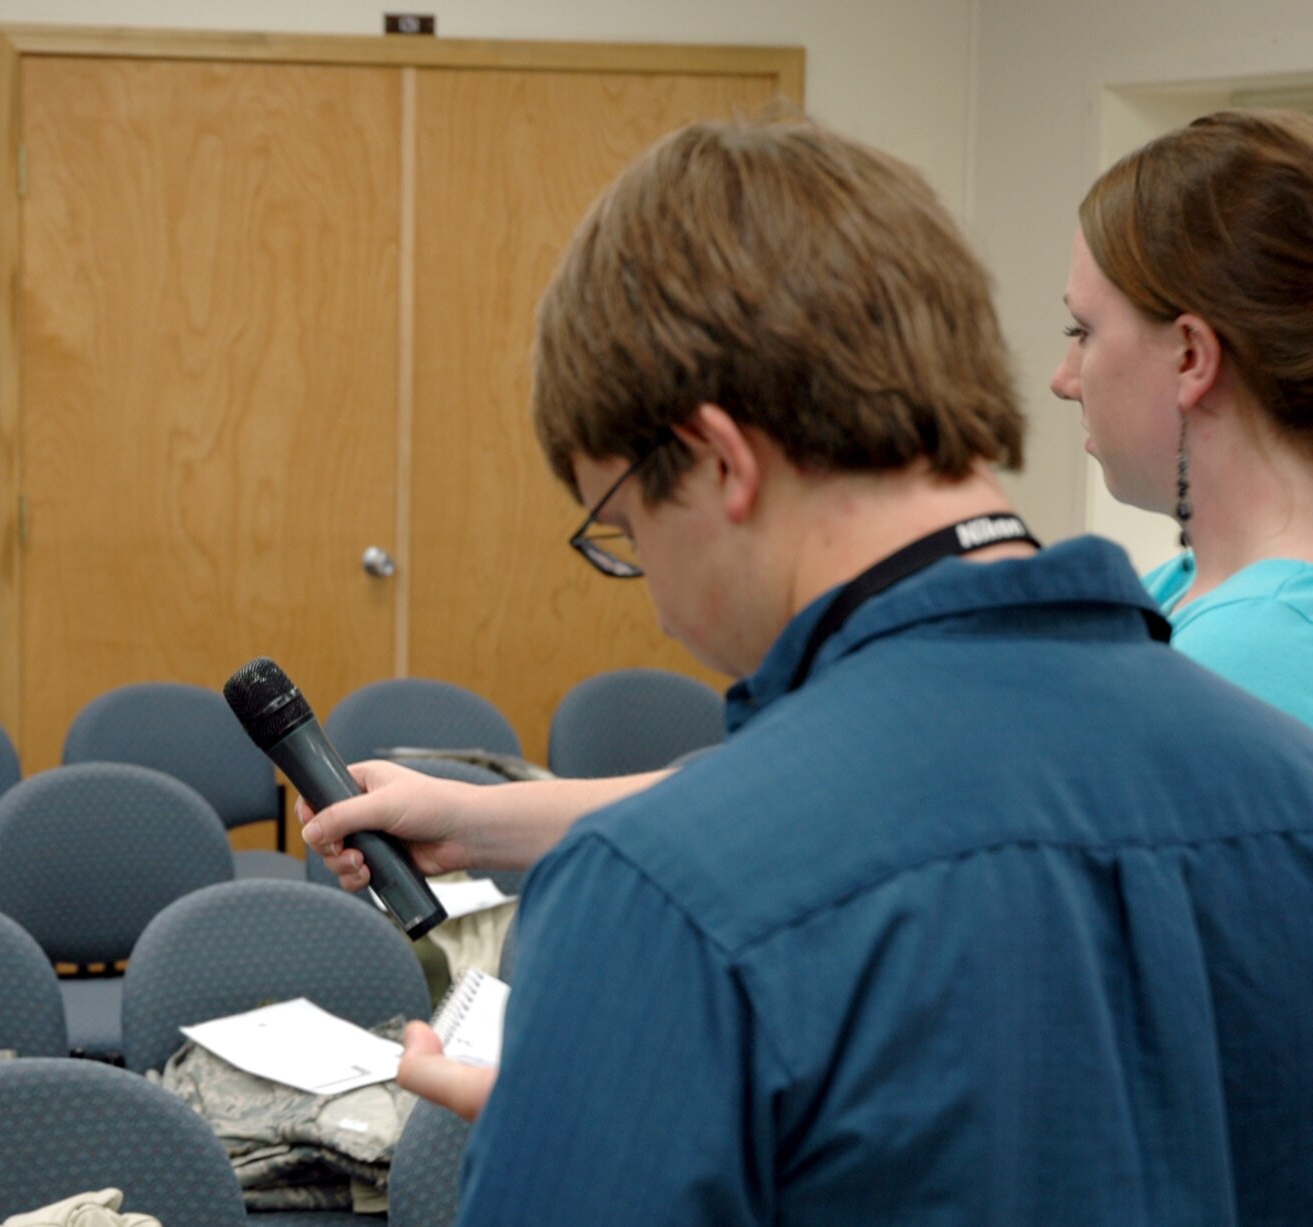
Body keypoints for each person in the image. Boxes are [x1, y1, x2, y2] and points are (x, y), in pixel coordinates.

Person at [313, 114, 1313, 1223]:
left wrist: (586, 1133)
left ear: (718, 462)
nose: (650, 597)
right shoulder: (1287, 787)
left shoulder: (656, 901)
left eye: (622, 527)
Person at [1051, 107, 1313, 725]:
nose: (1063, 381)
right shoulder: (1181, 591)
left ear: (1191, 356)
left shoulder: (1252, 650)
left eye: (1083, 331)